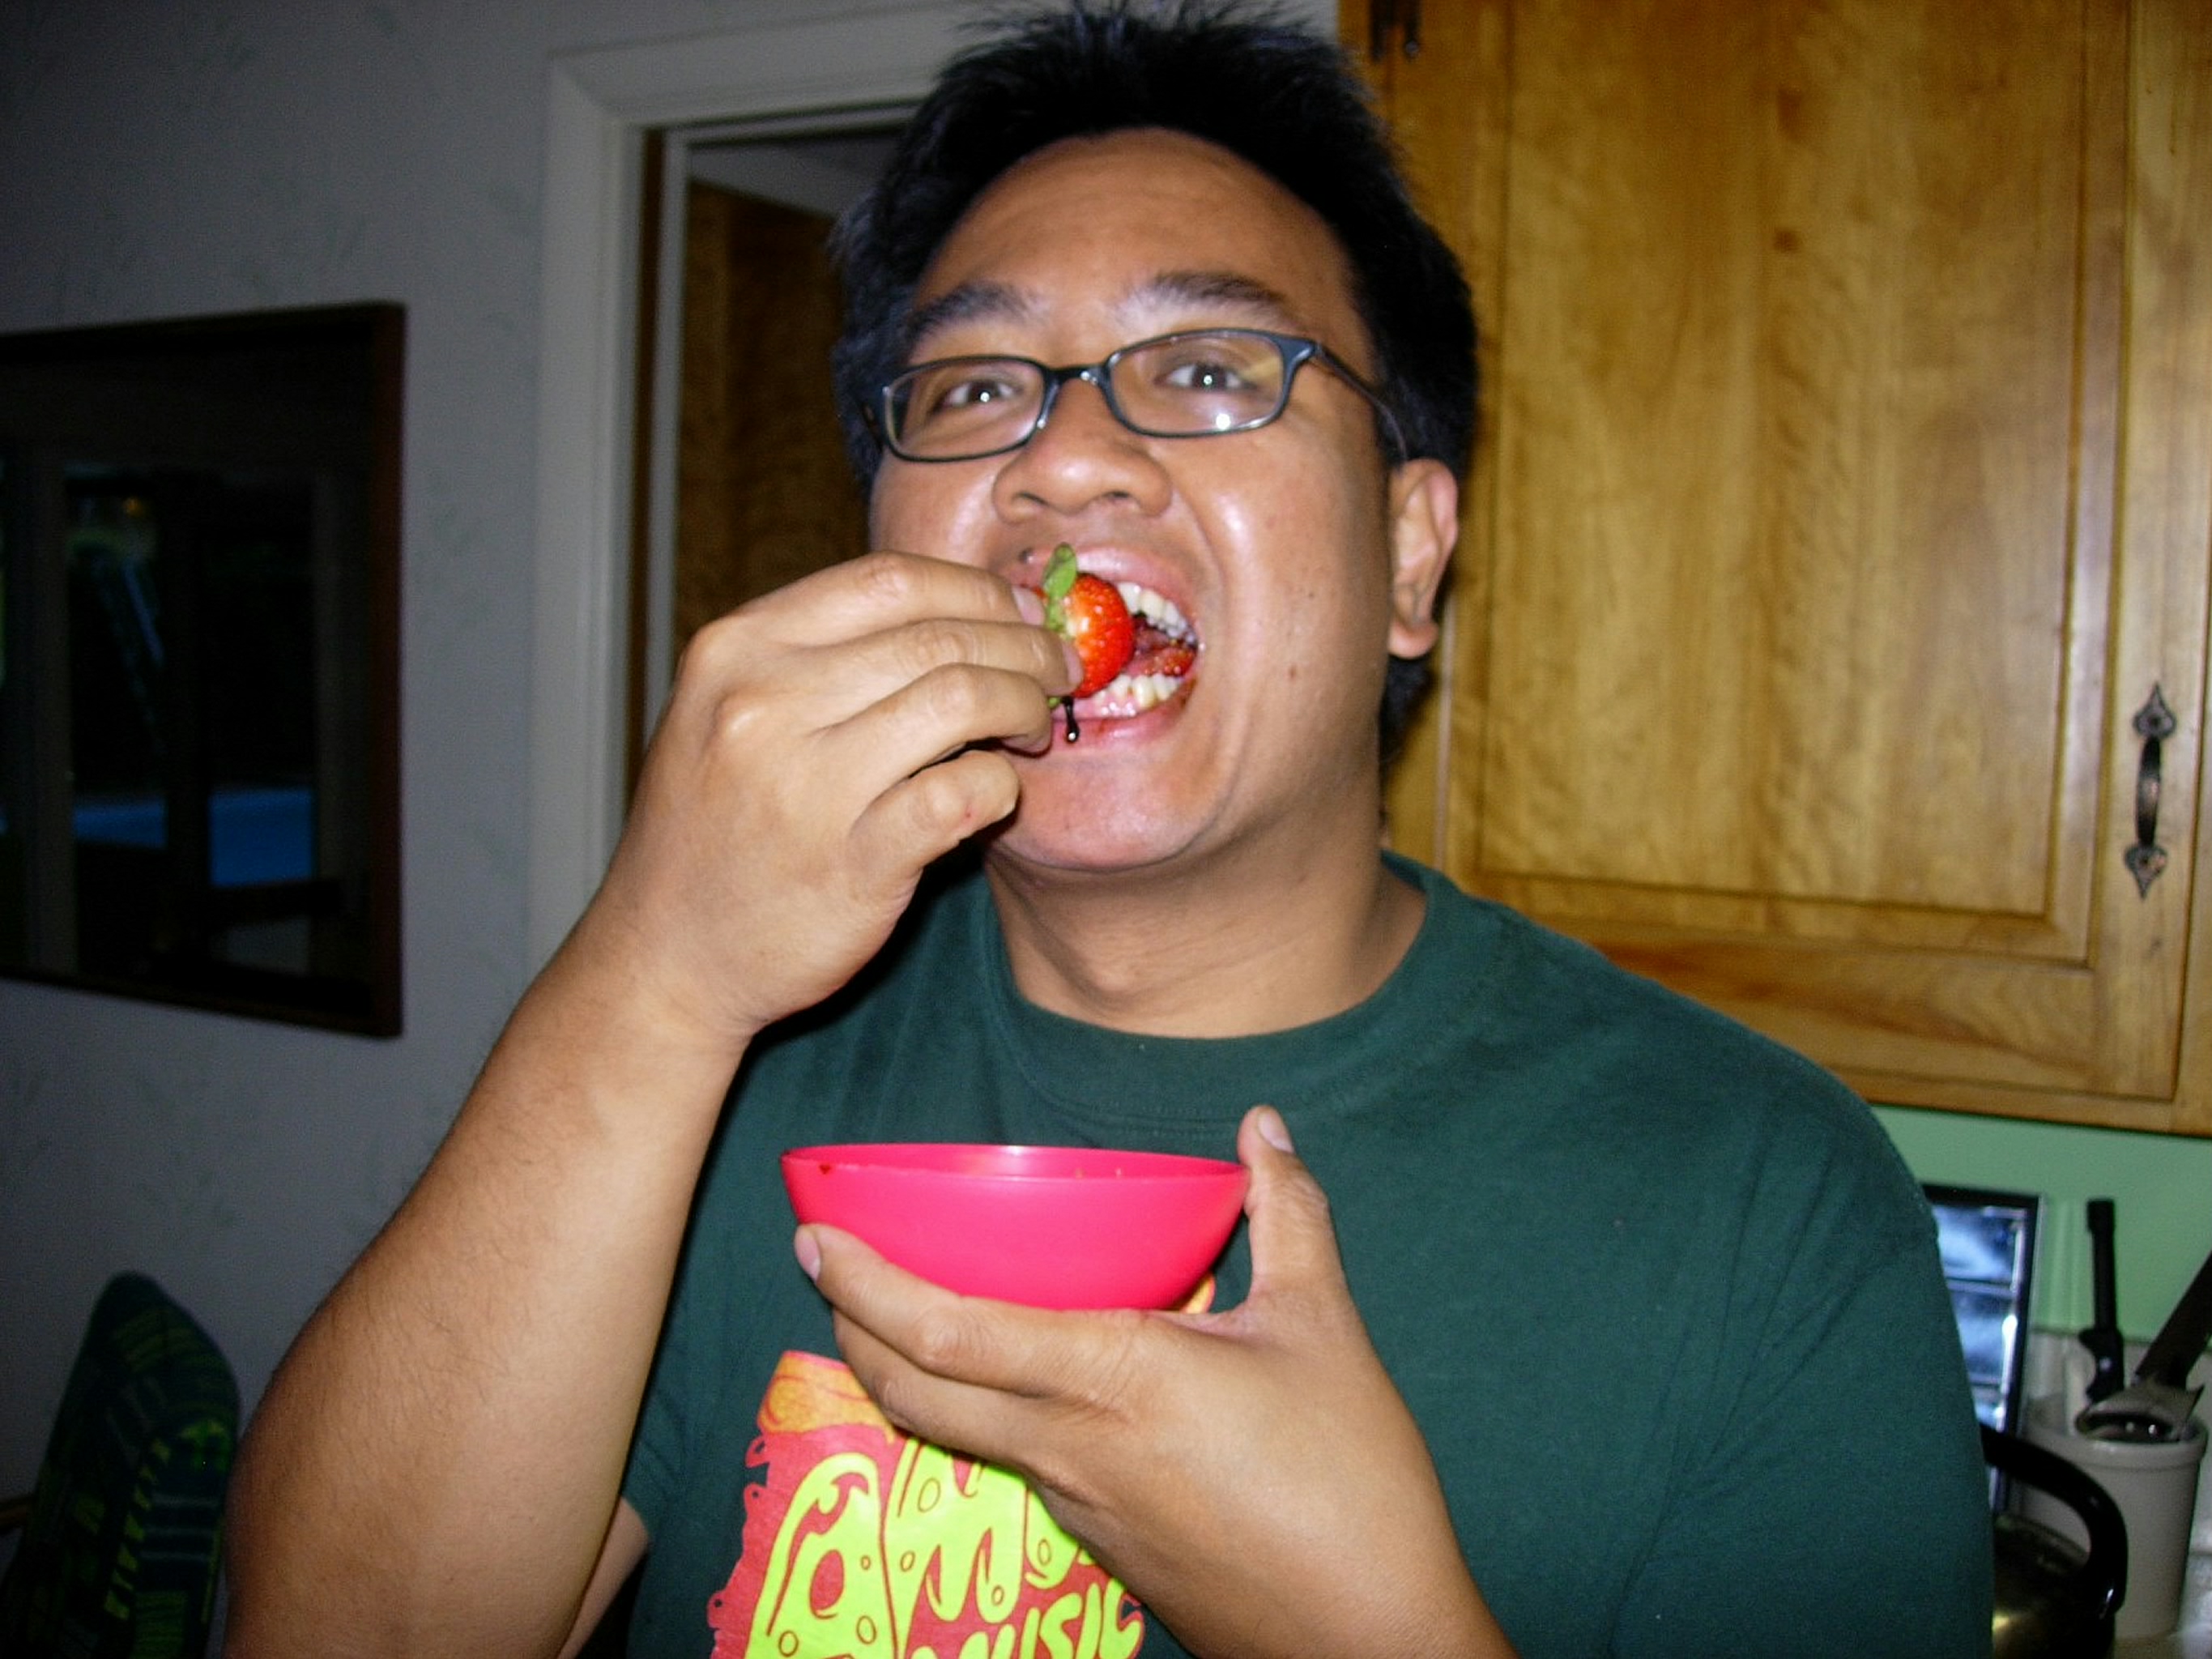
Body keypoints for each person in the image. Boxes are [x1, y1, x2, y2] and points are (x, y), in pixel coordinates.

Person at [224, 5, 1994, 1656]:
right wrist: (650, 973)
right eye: (973, 388)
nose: (1061, 461)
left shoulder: (1770, 1206)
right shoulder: (717, 1064)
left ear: (1409, 555)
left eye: (1211, 366)